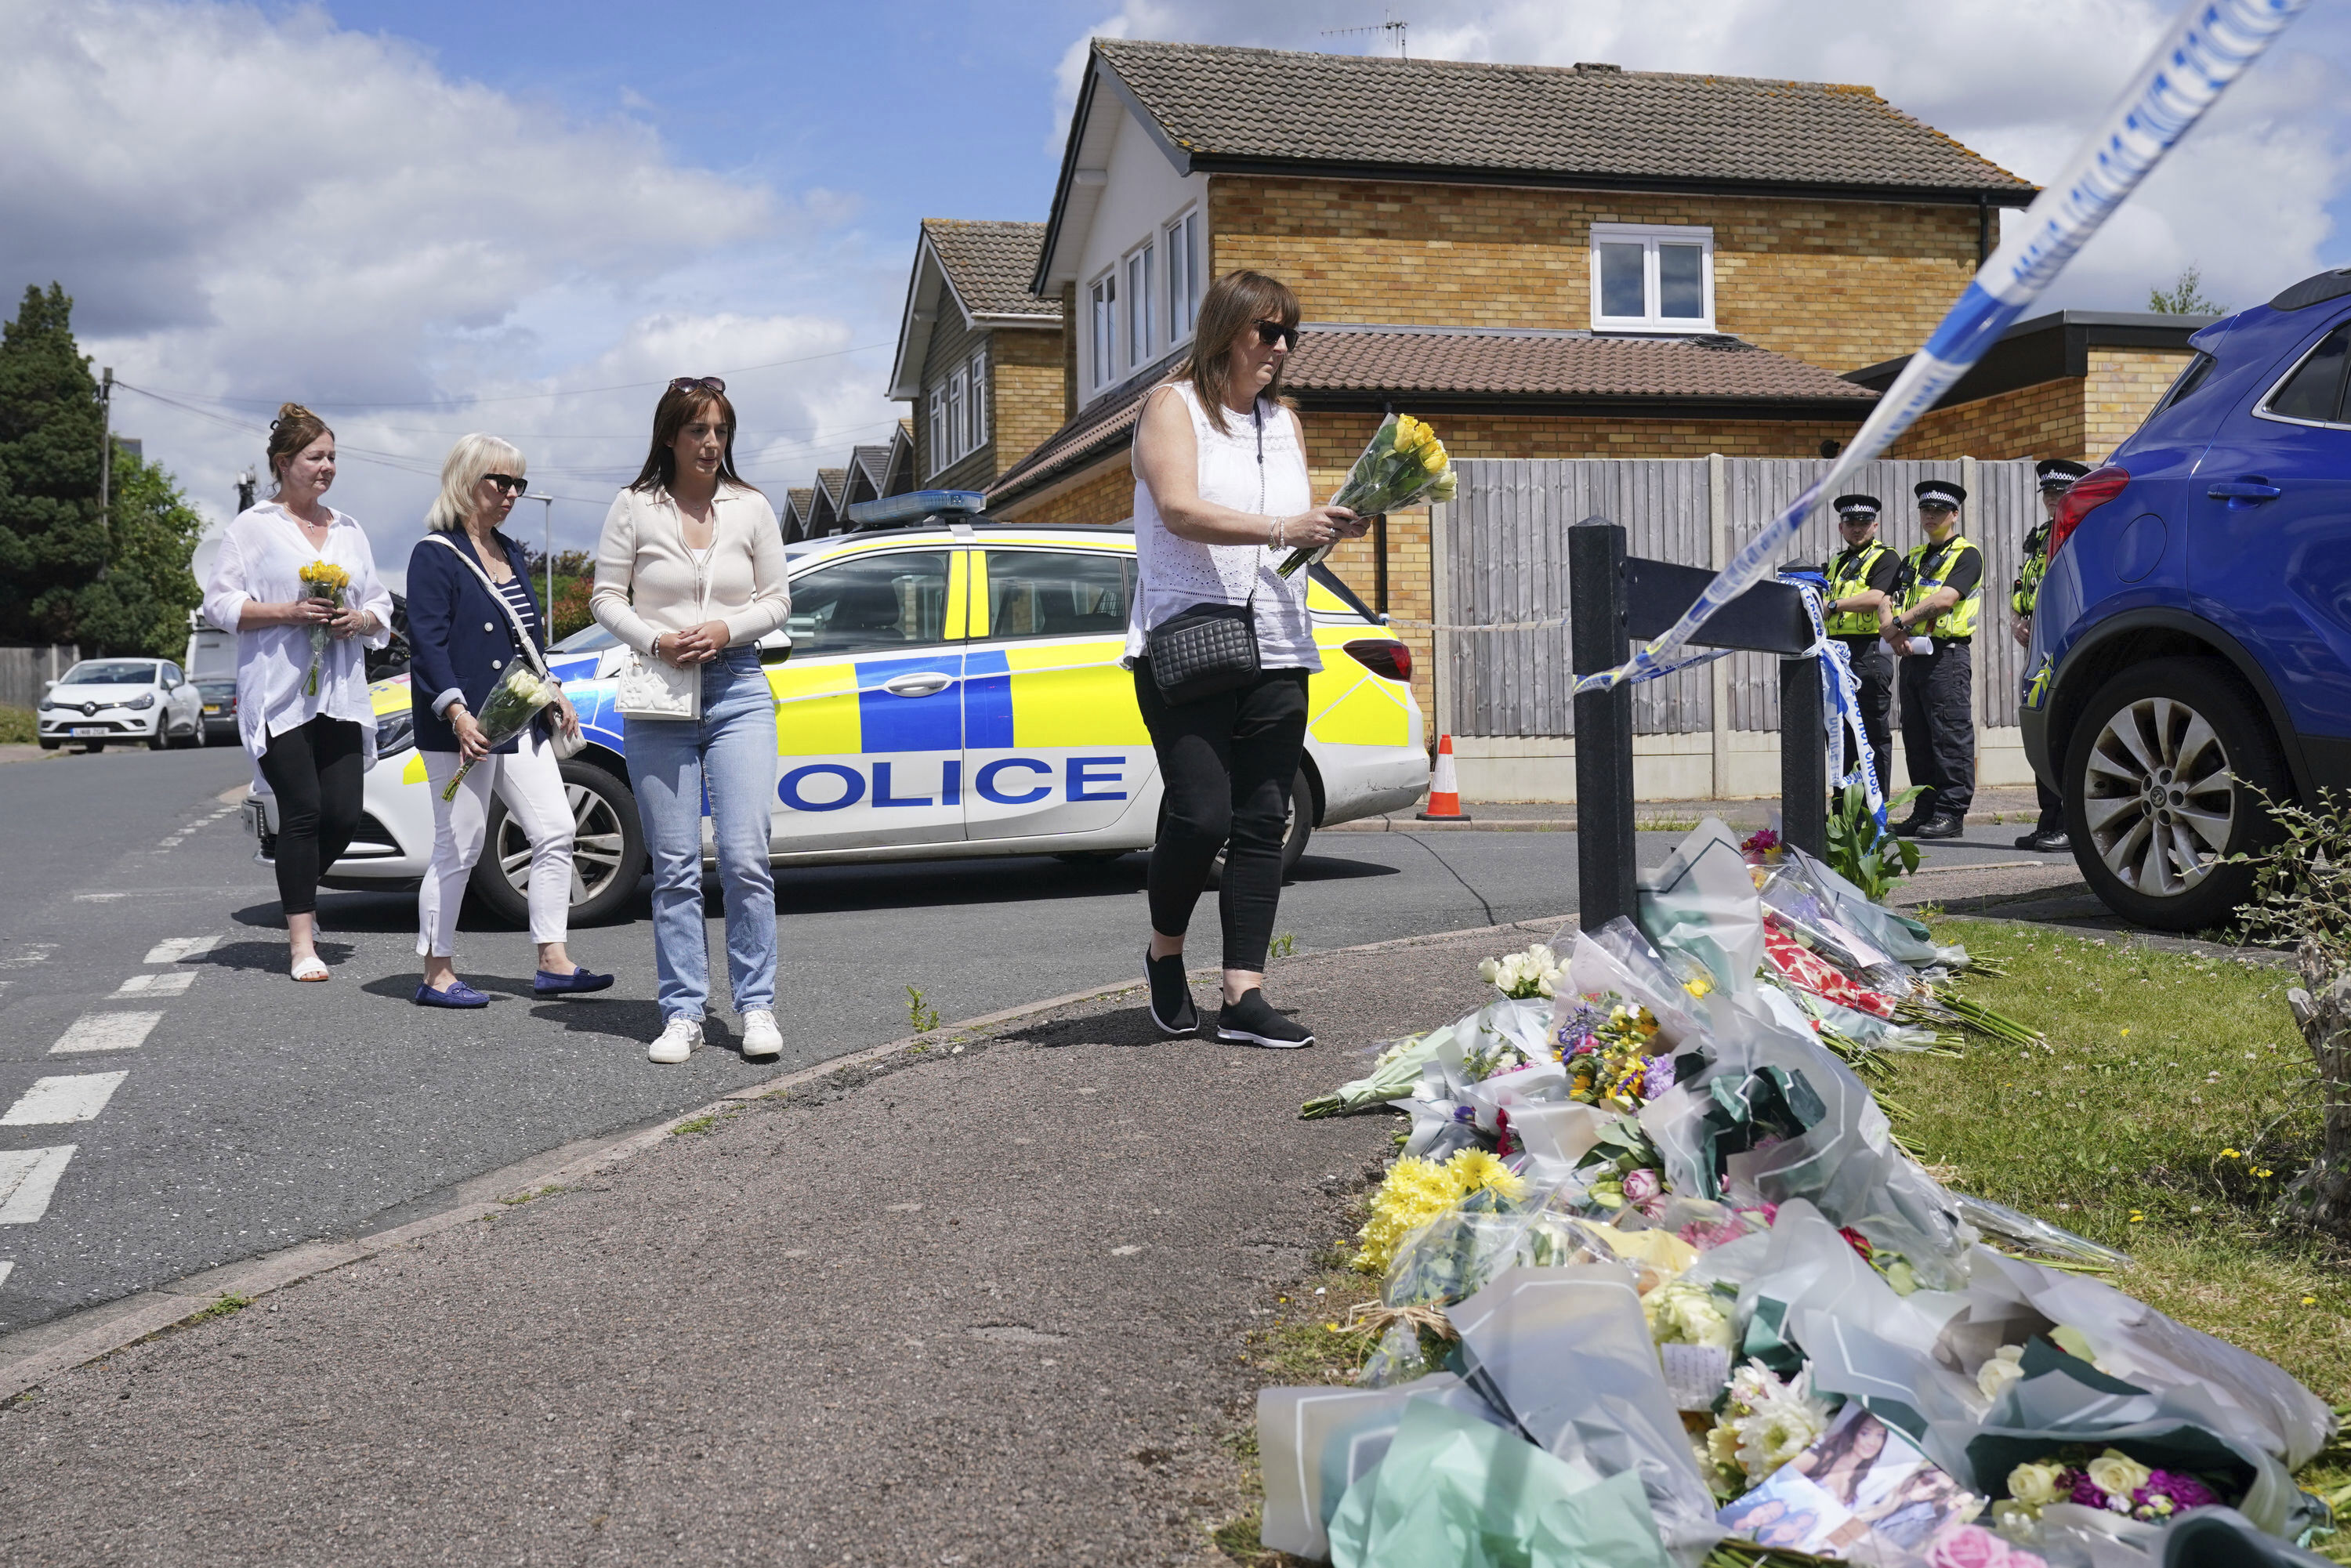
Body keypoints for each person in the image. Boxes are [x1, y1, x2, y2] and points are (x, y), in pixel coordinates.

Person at [1128, 270, 1365, 1048]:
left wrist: (1328, 526)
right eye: (1270, 332)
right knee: (1203, 812)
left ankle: (1242, 995)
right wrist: (1278, 529)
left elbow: (1289, 525)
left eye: (1291, 334)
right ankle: (1166, 953)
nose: (1282, 347)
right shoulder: (1172, 406)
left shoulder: (1284, 423)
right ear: (1229, 331)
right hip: (1190, 635)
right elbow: (1180, 510)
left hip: (1280, 639)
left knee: (1265, 817)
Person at [592, 378, 790, 1065]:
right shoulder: (633, 506)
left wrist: (726, 627)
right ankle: (683, 1011)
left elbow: (778, 602)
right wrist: (656, 639)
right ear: (670, 437)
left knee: (744, 856)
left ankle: (756, 1004)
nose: (712, 443)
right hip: (659, 696)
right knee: (674, 867)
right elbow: (605, 598)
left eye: (721, 431)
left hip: (739, 689)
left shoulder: (752, 507)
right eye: (699, 431)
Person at [404, 434, 611, 1009]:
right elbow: (428, 642)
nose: (512, 493)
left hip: (520, 720)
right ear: (467, 480)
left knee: (556, 830)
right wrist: (455, 710)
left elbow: (527, 640)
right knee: (461, 846)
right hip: (463, 727)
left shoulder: (512, 552)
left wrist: (551, 693)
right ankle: (436, 970)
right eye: (501, 481)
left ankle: (553, 959)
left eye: (519, 483)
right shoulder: (435, 553)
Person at [201, 404, 393, 982]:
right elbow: (219, 603)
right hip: (279, 693)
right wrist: (287, 611)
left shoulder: (350, 530)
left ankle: (296, 882)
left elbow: (381, 603)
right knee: (304, 810)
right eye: (316, 457)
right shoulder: (254, 527)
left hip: (338, 689)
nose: (327, 467)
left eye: (333, 456)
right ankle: (301, 940)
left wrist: (356, 620)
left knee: (343, 812)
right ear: (284, 463)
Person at [1888, 478, 1983, 840]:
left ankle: (1951, 813)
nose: (1931, 516)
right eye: (1926, 510)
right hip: (1911, 655)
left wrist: (1899, 623)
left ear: (1954, 515)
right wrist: (1891, 629)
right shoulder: (1914, 556)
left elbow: (1945, 600)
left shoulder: (1967, 554)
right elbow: (1888, 596)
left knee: (1950, 736)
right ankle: (1925, 809)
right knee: (1918, 737)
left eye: (1939, 511)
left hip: (1947, 656)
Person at [2012, 458, 2088, 851]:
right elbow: (2024, 587)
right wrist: (2017, 620)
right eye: (2049, 492)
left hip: (2069, 641)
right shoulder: (2042, 535)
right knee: (2043, 726)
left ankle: (2071, 824)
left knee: (2068, 728)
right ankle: (2049, 819)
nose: (2053, 498)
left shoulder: (2085, 530)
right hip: (2038, 645)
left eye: (2061, 491)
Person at [1821, 494, 1902, 793]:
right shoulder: (1837, 562)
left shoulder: (1886, 557)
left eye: (1864, 523)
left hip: (1868, 653)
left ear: (1875, 526)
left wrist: (1835, 604)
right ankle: (1845, 806)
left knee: (1870, 733)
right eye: (1851, 523)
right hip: (1836, 654)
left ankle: (1874, 808)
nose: (1858, 529)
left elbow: (1877, 597)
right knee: (1839, 733)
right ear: (1841, 528)